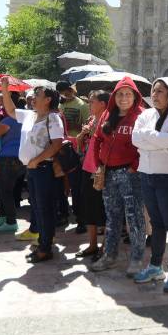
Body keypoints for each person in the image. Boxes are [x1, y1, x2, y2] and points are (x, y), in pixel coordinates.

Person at [131, 77, 168, 290]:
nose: (155, 95)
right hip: (146, 174)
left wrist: (150, 140)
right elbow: (135, 139)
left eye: (160, 91)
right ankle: (155, 266)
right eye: (154, 91)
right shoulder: (145, 115)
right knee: (156, 223)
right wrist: (159, 138)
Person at [90, 77, 147, 275]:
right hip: (108, 173)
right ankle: (110, 255)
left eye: (128, 94)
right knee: (112, 217)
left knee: (135, 218)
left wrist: (133, 167)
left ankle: (137, 259)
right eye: (120, 94)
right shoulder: (108, 114)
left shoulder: (142, 116)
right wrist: (98, 164)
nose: (124, 98)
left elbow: (145, 145)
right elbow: (97, 139)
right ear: (114, 97)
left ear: (135, 96)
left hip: (131, 175)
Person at [3, 79, 64, 262]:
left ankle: (45, 248)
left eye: (37, 95)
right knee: (37, 207)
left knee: (44, 208)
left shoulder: (53, 118)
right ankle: (42, 243)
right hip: (33, 169)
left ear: (47, 100)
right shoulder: (30, 115)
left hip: (43, 168)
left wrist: (36, 160)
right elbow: (11, 111)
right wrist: (5, 91)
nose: (32, 98)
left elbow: (56, 145)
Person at [74, 91, 110, 259]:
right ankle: (92, 244)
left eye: (92, 101)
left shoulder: (110, 120)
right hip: (87, 167)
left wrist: (95, 129)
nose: (89, 104)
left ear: (103, 104)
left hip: (102, 170)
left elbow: (108, 142)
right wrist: (82, 135)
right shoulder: (90, 119)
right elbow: (79, 146)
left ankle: (105, 246)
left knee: (103, 208)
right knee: (88, 206)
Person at [0, 91, 25, 234]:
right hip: (20, 158)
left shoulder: (6, 122)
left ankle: (11, 221)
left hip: (8, 159)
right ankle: (3, 217)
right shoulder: (25, 119)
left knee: (4, 190)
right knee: (0, 189)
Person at [57, 80, 90, 227]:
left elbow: (86, 127)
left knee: (76, 186)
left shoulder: (82, 105)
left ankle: (80, 219)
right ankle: (63, 214)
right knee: (60, 183)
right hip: (60, 148)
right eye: (63, 92)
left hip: (76, 149)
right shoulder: (59, 105)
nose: (66, 94)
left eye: (68, 91)